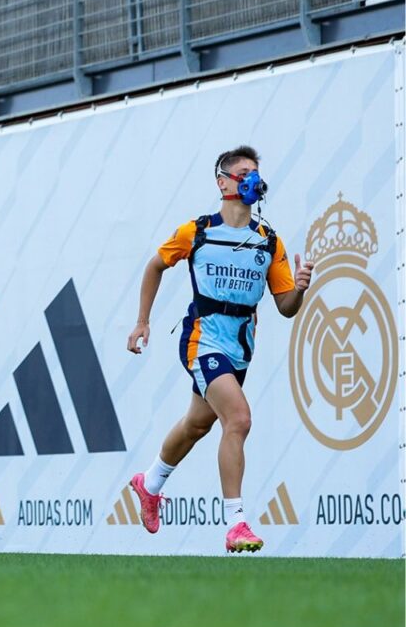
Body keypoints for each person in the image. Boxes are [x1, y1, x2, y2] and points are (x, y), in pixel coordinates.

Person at [125, 145, 313, 553]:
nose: (251, 179)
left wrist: (298, 289)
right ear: (223, 181)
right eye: (243, 172)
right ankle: (236, 524)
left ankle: (149, 483)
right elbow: (156, 265)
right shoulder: (198, 231)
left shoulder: (268, 240)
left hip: (240, 346)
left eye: (255, 173)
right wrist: (143, 321)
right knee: (239, 418)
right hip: (201, 339)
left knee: (197, 424)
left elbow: (285, 308)